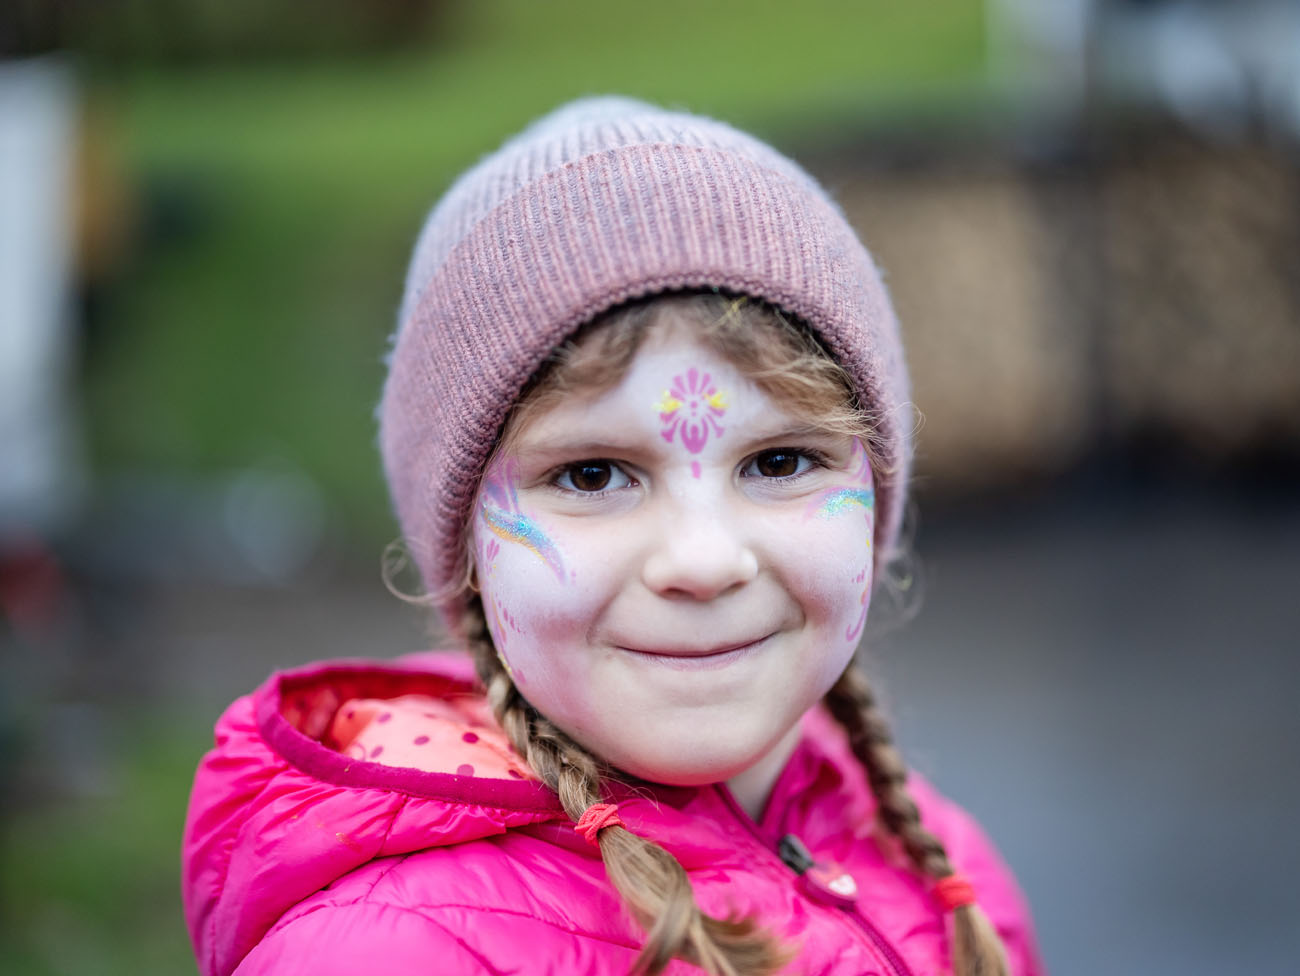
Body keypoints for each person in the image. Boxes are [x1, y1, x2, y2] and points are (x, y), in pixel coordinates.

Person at [182, 97, 1045, 976]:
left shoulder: (947, 878)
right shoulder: (388, 954)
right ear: (469, 553)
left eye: (780, 462)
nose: (704, 561)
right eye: (593, 475)